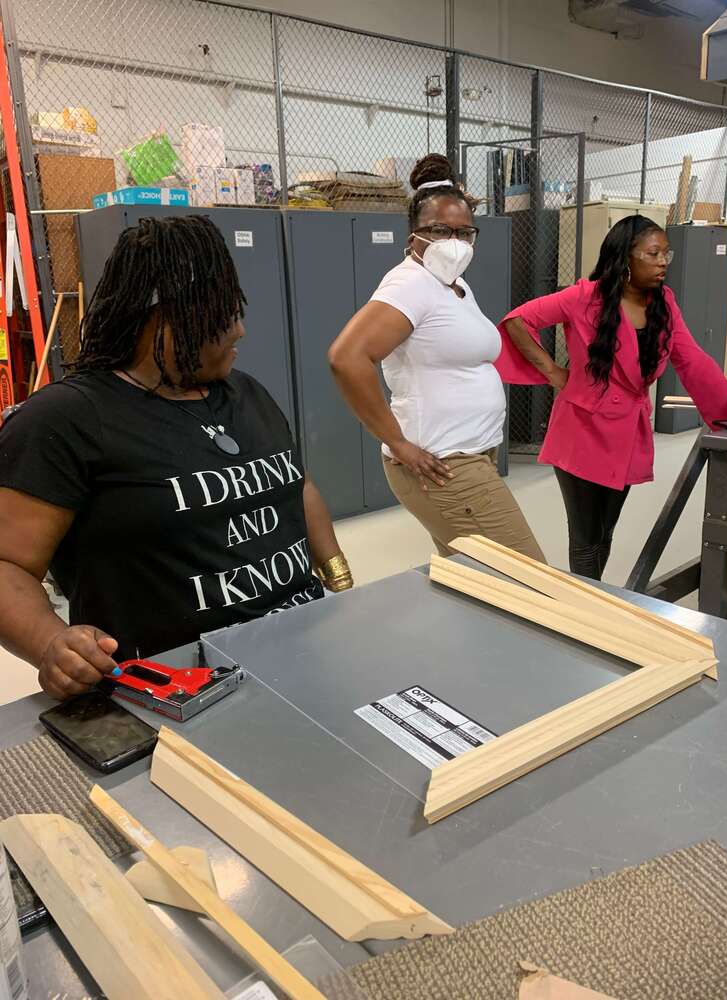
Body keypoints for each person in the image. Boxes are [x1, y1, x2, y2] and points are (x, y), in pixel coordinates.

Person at [0, 215, 352, 701]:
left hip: (302, 647)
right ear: (163, 318)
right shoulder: (67, 420)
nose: (241, 330)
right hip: (181, 688)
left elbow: (297, 483)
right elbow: (7, 564)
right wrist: (50, 643)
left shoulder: (245, 392)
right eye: (223, 316)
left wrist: (339, 576)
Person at [499, 213, 727, 580]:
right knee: (585, 536)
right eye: (652, 253)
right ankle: (589, 607)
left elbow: (691, 359)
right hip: (581, 429)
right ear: (625, 257)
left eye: (667, 253)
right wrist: (553, 373)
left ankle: (596, 598)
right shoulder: (584, 297)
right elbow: (517, 321)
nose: (663, 261)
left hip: (628, 432)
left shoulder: (663, 301)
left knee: (606, 531)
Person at [328, 154, 543, 561]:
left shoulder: (455, 285)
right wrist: (397, 442)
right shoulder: (410, 284)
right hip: (444, 464)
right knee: (529, 578)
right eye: (441, 230)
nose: (455, 243)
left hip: (473, 454)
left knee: (474, 580)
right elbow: (347, 357)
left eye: (465, 233)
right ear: (414, 235)